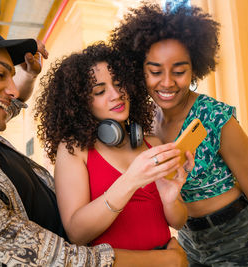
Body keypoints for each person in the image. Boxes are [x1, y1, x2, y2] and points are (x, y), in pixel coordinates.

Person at [0, 23, 189, 266]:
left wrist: (28, 75)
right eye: (0, 74)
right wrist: (165, 261)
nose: (12, 89)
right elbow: (58, 259)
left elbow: (7, 104)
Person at [110, 3, 248, 267]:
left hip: (237, 238)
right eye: (155, 71)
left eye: (179, 71)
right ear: (140, 70)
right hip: (188, 242)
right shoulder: (143, 122)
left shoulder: (215, 117)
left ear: (195, 68)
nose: (168, 82)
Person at [34, 42, 193, 250]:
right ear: (81, 103)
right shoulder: (74, 149)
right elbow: (76, 233)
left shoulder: (151, 143)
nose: (116, 94)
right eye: (100, 91)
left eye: (119, 84)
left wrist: (170, 198)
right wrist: (131, 180)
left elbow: (178, 221)